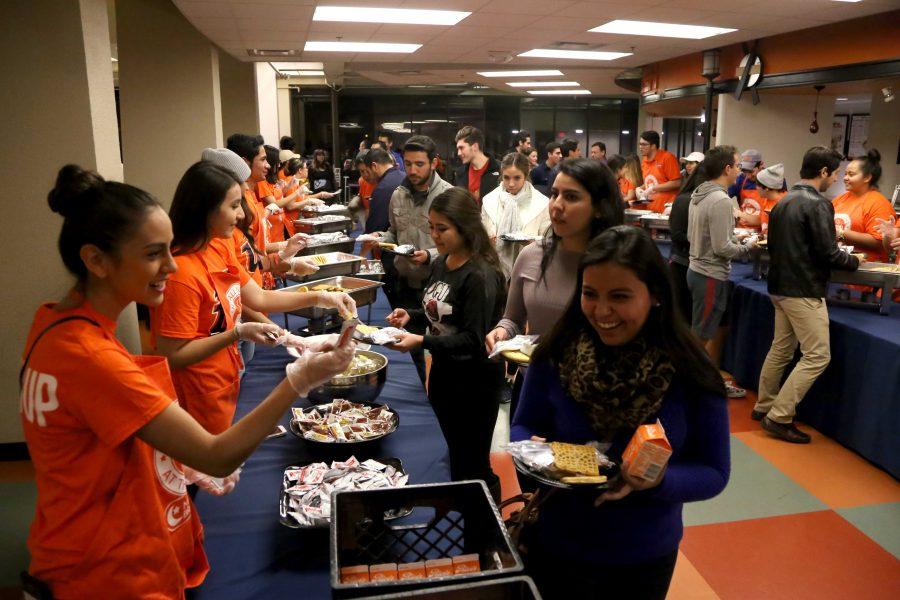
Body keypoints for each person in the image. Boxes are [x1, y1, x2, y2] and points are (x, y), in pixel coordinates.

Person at [21, 165, 355, 598]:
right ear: (96, 260)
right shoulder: (92, 358)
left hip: (79, 541)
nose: (170, 266)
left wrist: (176, 462)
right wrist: (300, 378)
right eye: (153, 254)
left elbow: (98, 438)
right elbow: (216, 455)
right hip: (108, 567)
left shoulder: (54, 323)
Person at [511, 226, 729, 600]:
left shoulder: (691, 373)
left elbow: (714, 471)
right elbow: (523, 424)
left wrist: (659, 482)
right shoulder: (555, 353)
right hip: (559, 541)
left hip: (643, 554)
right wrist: (535, 459)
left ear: (656, 296)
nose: (602, 311)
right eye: (590, 294)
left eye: (620, 297)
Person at [153, 162, 356, 434]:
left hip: (224, 378)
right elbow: (174, 355)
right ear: (205, 210)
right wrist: (236, 333)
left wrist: (321, 297)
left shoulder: (219, 246)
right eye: (234, 206)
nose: (240, 215)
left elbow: (258, 297)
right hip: (197, 391)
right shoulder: (181, 273)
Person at [387, 188, 507, 500]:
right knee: (451, 453)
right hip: (445, 374)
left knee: (473, 463)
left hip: (475, 383)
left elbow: (474, 340)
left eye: (442, 229)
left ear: (465, 228)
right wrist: (410, 316)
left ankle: (487, 534)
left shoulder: (480, 275)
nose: (434, 235)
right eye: (432, 227)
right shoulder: (444, 262)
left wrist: (421, 340)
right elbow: (438, 311)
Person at [485, 158, 624, 414]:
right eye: (554, 194)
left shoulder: (617, 264)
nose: (557, 206)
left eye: (571, 197)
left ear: (599, 208)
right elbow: (512, 318)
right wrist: (502, 333)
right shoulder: (531, 256)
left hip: (596, 395)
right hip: (534, 387)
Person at [754, 146, 860, 443]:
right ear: (824, 172)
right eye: (836, 173)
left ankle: (764, 405)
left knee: (781, 349)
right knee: (817, 355)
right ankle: (779, 416)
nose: (837, 178)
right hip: (802, 290)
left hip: (779, 287)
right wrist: (854, 261)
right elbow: (829, 253)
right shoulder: (818, 204)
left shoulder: (784, 203)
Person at [368, 135, 454, 383]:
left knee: (441, 349)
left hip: (438, 287)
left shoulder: (448, 197)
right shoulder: (398, 194)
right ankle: (419, 393)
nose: (413, 170)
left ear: (434, 163)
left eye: (419, 164)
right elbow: (394, 232)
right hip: (405, 284)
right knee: (410, 349)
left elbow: (461, 245)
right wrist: (381, 236)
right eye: (408, 164)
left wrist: (430, 255)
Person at [686, 145, 756, 394]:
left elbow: (702, 236)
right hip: (710, 276)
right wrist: (748, 246)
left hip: (697, 271)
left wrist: (735, 241)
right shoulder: (720, 200)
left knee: (700, 331)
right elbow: (723, 248)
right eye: (737, 166)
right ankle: (684, 386)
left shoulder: (699, 193)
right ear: (727, 168)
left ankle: (697, 382)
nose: (739, 171)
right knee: (701, 336)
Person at [481, 152, 551, 277]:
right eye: (506, 177)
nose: (511, 184)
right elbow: (481, 234)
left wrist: (533, 242)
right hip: (494, 270)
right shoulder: (489, 201)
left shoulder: (542, 203)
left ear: (526, 175)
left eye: (517, 178)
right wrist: (487, 241)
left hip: (530, 270)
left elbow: (549, 242)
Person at [831, 149, 895, 264]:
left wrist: (841, 234)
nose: (845, 178)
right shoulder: (839, 200)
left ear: (867, 178)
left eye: (851, 174)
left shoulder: (878, 203)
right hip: (840, 267)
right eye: (845, 174)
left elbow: (879, 243)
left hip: (865, 271)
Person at [668, 167, 708, 325]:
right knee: (684, 319)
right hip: (683, 264)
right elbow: (677, 235)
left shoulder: (705, 201)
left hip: (694, 264)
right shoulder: (685, 200)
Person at [358, 147, 405, 234]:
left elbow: (376, 228)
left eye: (368, 171)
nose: (367, 176)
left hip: (391, 242)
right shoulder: (405, 177)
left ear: (374, 166)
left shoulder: (381, 189)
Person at [637, 131, 681, 214]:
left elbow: (676, 183)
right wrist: (640, 189)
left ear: (653, 146)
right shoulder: (644, 161)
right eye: (640, 144)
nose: (640, 147)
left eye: (644, 144)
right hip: (650, 209)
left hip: (666, 210)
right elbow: (650, 182)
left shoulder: (667, 158)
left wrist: (653, 188)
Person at [455, 125, 500, 203]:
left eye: (461, 148)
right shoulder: (459, 173)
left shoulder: (500, 169)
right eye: (458, 149)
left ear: (475, 146)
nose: (458, 153)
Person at [730, 149, 766, 232]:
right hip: (742, 231)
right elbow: (724, 196)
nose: (749, 176)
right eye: (745, 172)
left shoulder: (771, 181)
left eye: (751, 171)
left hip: (763, 232)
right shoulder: (740, 180)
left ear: (761, 165)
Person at [751, 163, 788, 235]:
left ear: (767, 188)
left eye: (758, 185)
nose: (756, 188)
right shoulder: (766, 199)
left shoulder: (786, 203)